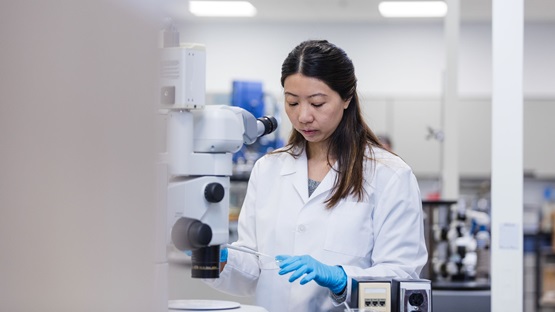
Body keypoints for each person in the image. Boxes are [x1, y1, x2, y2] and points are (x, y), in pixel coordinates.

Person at [204, 39, 427, 312]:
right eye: (292, 102)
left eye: (317, 103)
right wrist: (216, 257)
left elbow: (402, 279)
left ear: (346, 98)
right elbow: (253, 271)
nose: (303, 116)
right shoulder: (268, 168)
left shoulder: (389, 174)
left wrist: (343, 280)